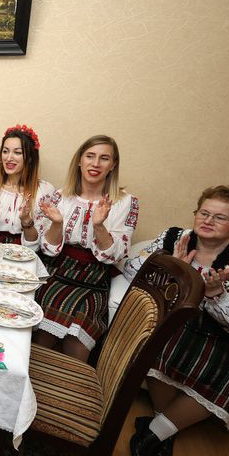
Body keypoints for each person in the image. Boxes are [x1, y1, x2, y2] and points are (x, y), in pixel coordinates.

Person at [125, 185, 229, 456]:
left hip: (228, 336)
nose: (208, 220)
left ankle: (155, 431)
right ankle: (165, 430)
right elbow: (131, 269)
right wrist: (171, 268)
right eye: (204, 213)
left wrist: (216, 294)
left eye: (220, 217)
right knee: (157, 344)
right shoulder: (174, 238)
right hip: (178, 321)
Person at [33, 135, 139, 362]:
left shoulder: (126, 203)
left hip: (95, 277)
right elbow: (48, 250)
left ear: (113, 165)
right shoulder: (60, 196)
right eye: (90, 156)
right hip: (58, 270)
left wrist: (99, 226)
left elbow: (116, 256)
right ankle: (37, 378)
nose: (95, 163)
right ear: (80, 161)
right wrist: (57, 224)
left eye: (104, 158)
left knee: (79, 333)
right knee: (45, 326)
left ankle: (73, 382)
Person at [0, 124, 54, 247]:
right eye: (5, 151)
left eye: (17, 152)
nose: (9, 158)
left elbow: (35, 247)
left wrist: (26, 220)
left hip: (23, 253)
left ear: (30, 158)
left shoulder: (43, 190)